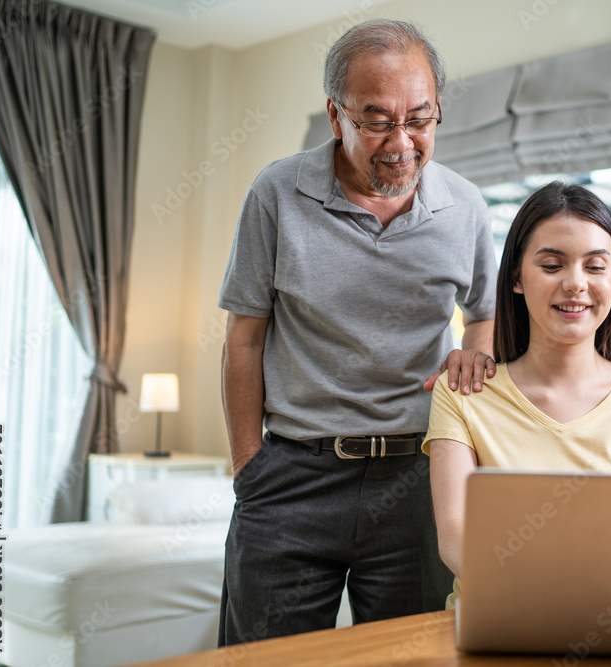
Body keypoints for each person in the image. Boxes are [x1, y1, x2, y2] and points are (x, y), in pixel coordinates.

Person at [217, 19, 497, 645]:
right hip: (292, 475)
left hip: (416, 479)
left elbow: (485, 314)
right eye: (376, 121)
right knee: (264, 662)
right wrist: (247, 467)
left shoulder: (467, 208)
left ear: (438, 112)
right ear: (336, 115)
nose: (402, 142)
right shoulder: (276, 193)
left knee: (409, 657)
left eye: (420, 119)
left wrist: (473, 359)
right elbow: (244, 338)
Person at [424, 182, 611, 599]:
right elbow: (456, 539)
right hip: (495, 625)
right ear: (516, 278)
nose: (575, 283)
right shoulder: (462, 394)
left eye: (596, 266)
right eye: (552, 265)